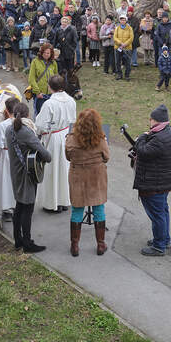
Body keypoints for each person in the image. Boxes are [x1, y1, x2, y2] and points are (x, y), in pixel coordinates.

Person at [133, 104, 171, 256]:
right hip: (164, 182)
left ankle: (159, 246)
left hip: (154, 184)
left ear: (157, 120)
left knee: (157, 215)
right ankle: (164, 239)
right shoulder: (168, 132)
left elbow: (142, 151)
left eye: (151, 119)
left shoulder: (159, 139)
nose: (149, 121)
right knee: (162, 211)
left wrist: (141, 137)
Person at [5, 102, 51, 253]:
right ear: (28, 114)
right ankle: (27, 243)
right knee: (28, 209)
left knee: (19, 206)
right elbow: (47, 156)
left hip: (16, 172)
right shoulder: (26, 131)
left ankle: (18, 240)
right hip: (27, 174)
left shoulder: (9, 129)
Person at [65, 108, 111, 257]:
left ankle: (75, 246)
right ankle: (100, 245)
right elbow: (106, 157)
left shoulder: (71, 139)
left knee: (77, 210)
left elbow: (68, 156)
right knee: (99, 208)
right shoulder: (101, 139)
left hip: (77, 177)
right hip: (96, 177)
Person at [35, 74, 75, 213]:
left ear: (49, 87)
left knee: (52, 170)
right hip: (67, 136)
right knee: (64, 169)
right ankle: (64, 200)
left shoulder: (49, 104)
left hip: (53, 138)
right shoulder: (71, 101)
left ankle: (53, 202)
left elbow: (40, 125)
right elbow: (73, 120)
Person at [0, 96, 18, 221]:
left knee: (6, 181)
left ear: (6, 110)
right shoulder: (24, 122)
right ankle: (18, 205)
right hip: (20, 155)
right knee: (18, 180)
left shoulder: (3, 125)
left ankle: (7, 209)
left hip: (7, 154)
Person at [28, 43, 58, 114]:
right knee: (39, 114)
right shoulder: (35, 62)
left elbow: (56, 78)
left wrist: (56, 91)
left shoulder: (53, 63)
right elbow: (31, 79)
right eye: (44, 52)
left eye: (48, 53)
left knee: (51, 114)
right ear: (41, 52)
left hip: (51, 94)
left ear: (51, 54)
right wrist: (38, 92)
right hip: (40, 95)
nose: (46, 54)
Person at [113, 13, 133, 81]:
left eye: (124, 20)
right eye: (121, 20)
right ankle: (119, 74)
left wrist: (125, 44)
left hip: (127, 48)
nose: (122, 21)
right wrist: (120, 43)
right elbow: (115, 37)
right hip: (118, 47)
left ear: (126, 20)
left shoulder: (130, 28)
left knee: (128, 62)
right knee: (117, 62)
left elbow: (131, 38)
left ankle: (127, 75)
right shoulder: (117, 28)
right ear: (119, 21)